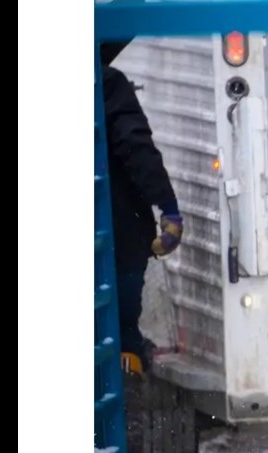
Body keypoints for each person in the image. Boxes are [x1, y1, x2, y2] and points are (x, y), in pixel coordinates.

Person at [100, 41, 184, 375]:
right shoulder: (107, 84)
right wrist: (168, 208)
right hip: (118, 232)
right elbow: (136, 148)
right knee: (121, 325)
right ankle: (127, 394)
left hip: (117, 233)